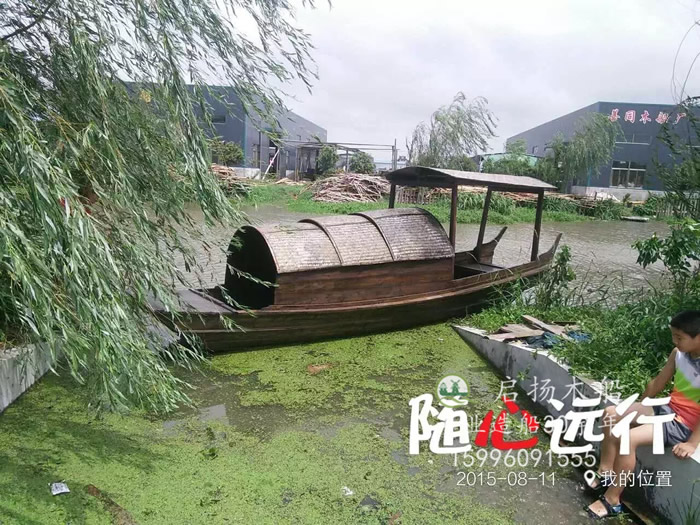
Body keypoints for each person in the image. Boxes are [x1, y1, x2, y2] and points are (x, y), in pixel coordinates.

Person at [586, 310, 700, 519]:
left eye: (680, 337)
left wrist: (692, 443)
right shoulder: (678, 353)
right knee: (611, 413)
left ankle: (612, 500)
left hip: (682, 423)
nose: (675, 341)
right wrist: (639, 409)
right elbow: (657, 383)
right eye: (673, 336)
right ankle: (605, 473)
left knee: (628, 438)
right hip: (667, 408)